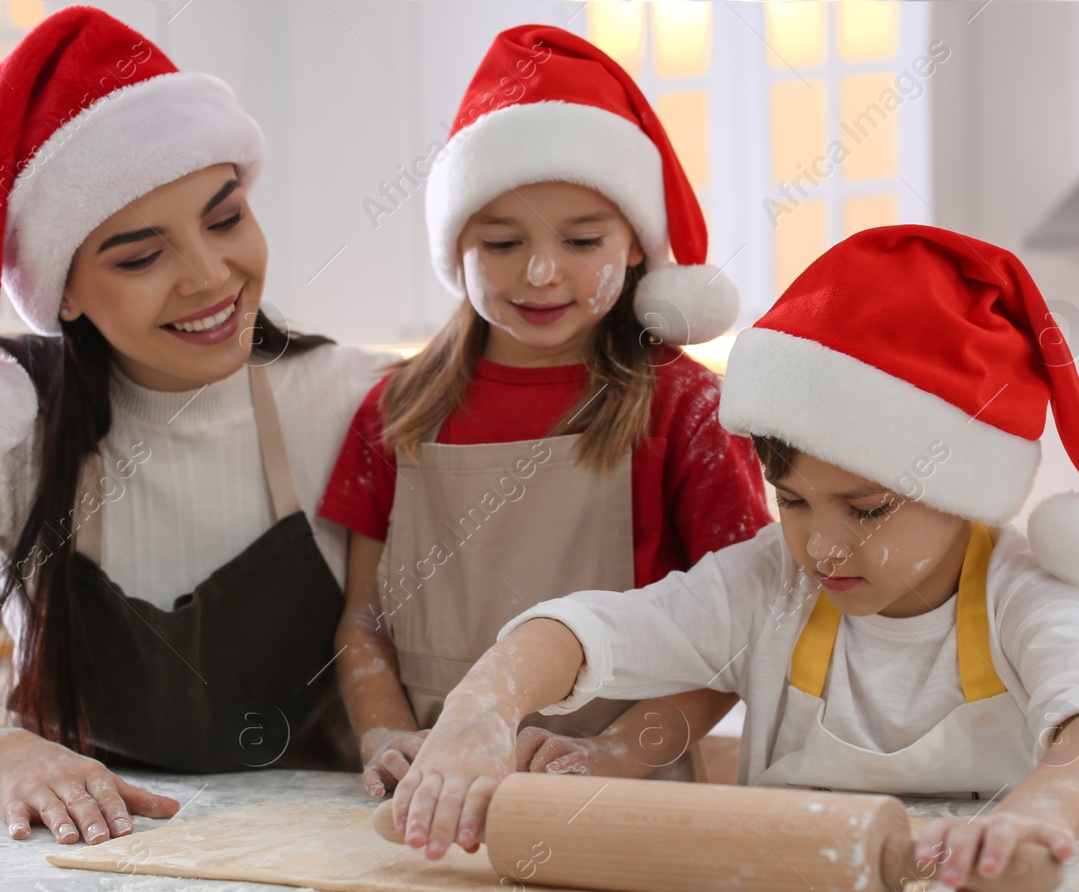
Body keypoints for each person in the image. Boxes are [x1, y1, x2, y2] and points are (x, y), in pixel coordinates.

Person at [391, 225, 1079, 892]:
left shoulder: (1016, 594)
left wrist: (1041, 814)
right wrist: (479, 710)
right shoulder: (772, 583)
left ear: (959, 494)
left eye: (865, 510)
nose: (821, 546)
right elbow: (592, 629)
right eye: (793, 502)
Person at [0, 6, 391, 844]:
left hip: (340, 882)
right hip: (84, 882)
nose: (211, 276)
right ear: (62, 291)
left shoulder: (356, 402)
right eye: (141, 257)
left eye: (226, 219)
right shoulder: (3, 436)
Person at [318, 26, 771, 799]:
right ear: (455, 247)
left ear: (635, 246)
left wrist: (622, 752)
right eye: (499, 242)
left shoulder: (687, 408)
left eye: (581, 238)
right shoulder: (395, 412)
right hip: (427, 797)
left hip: (624, 799)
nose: (539, 271)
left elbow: (745, 630)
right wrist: (386, 734)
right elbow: (364, 620)